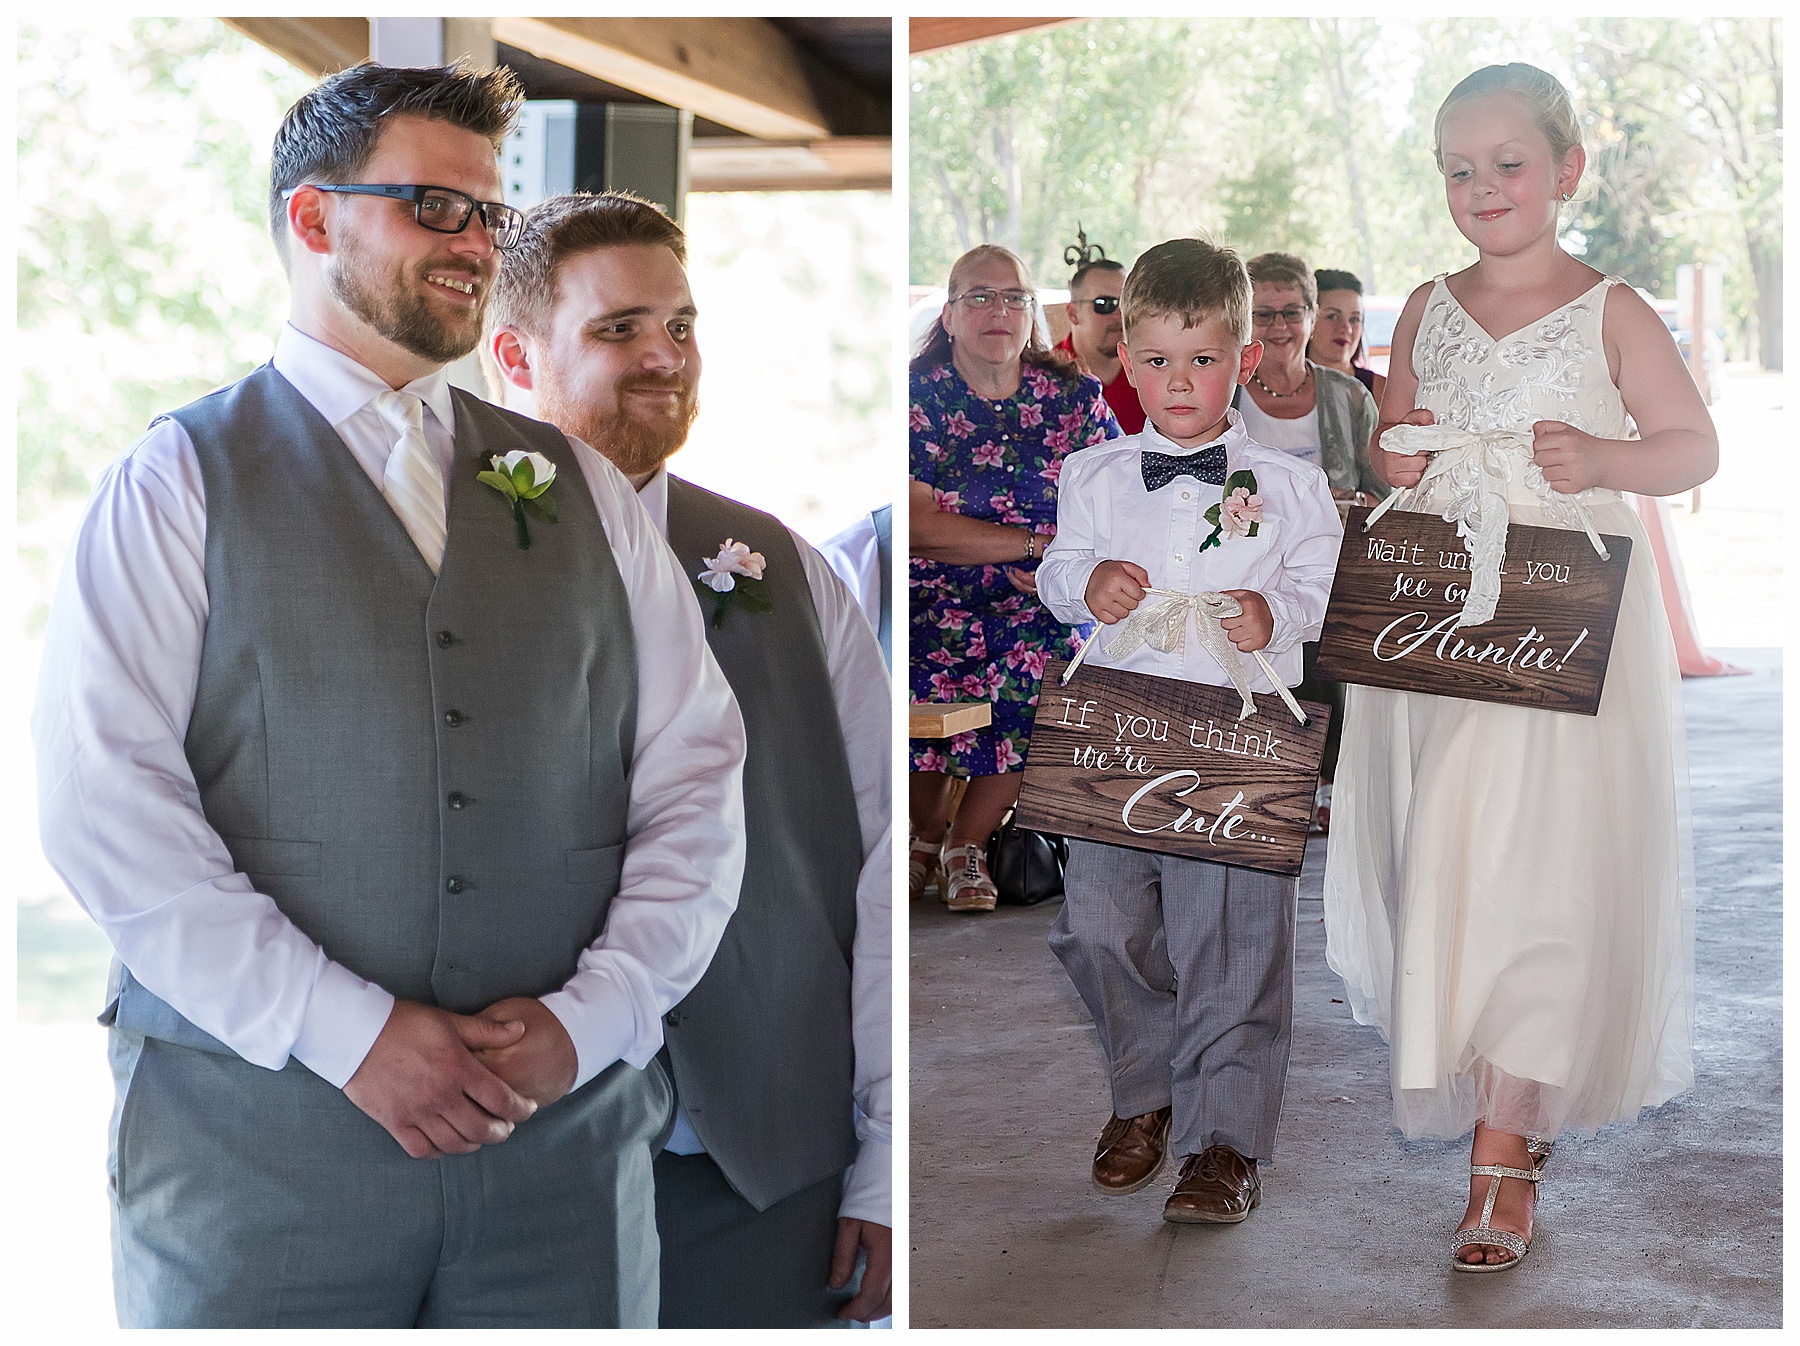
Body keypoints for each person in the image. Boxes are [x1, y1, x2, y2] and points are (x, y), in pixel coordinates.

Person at [31, 63, 749, 1328]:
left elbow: (695, 778)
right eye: (435, 206)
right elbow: (108, 809)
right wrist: (347, 1031)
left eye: (491, 215)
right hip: (257, 1165)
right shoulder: (174, 482)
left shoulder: (576, 487)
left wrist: (595, 1018)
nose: (476, 243)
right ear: (314, 221)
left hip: (562, 1164)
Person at [1323, 62, 1713, 1271]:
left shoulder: (1612, 309)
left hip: (1566, 623)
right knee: (1453, 849)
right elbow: (1393, 438)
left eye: (1507, 164)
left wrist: (1601, 452)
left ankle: (1502, 1149)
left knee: (1542, 874)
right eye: (1457, 169)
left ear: (1566, 172)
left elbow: (1692, 446)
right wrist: (1396, 453)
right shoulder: (1430, 305)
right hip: (1446, 622)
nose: (1481, 188)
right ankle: (1504, 1093)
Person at [486, 191, 891, 1326]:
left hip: (764, 1166)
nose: (665, 356)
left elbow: (870, 868)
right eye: (619, 329)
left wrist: (888, 1160)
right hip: (518, 1168)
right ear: (516, 353)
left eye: (681, 323)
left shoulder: (794, 575)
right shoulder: (446, 559)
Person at [1037, 238, 1342, 1224]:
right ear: (1126, 357)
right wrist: (1082, 584)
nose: (1180, 380)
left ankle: (1225, 1141)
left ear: (1243, 360)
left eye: (1203, 359)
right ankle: (1148, 1090)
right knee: (1098, 922)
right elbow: (1055, 573)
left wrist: (1276, 611)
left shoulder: (1293, 488)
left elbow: (1315, 589)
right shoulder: (1092, 474)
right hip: (1115, 731)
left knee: (1236, 942)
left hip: (1239, 732)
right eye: (1159, 359)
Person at [909, 244, 1120, 912]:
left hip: (1045, 597)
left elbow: (1122, 498)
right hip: (939, 592)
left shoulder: (1074, 397)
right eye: (979, 296)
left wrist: (1065, 564)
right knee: (930, 672)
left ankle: (965, 843)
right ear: (948, 315)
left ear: (1032, 313)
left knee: (1057, 668)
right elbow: (917, 525)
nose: (997, 311)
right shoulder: (920, 396)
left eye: (1013, 298)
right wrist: (1033, 544)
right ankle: (921, 831)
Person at [1237, 251, 1384, 501]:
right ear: (1242, 319)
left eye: (1292, 312)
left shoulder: (1351, 396)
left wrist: (1346, 502)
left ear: (1312, 316)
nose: (1279, 325)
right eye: (1263, 314)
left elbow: (1385, 497)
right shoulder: (1223, 395)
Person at [1055, 256, 1147, 433]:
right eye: (1104, 304)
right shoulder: (1044, 379)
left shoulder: (1153, 369)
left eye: (1127, 303)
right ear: (1073, 313)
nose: (1120, 314)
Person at [1310, 268, 1388, 407]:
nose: (1346, 328)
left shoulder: (1381, 390)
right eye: (1332, 316)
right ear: (1309, 320)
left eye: (1354, 319)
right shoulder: (1282, 386)